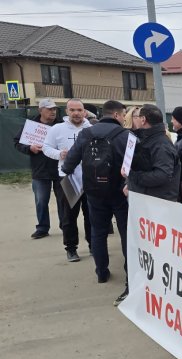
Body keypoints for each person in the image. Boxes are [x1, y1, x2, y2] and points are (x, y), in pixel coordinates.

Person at [62, 100, 130, 305]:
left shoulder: (86, 133)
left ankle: (101, 272)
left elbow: (69, 163)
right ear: (118, 115)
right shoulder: (125, 136)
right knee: (126, 233)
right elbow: (134, 164)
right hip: (120, 192)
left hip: (93, 191)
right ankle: (130, 274)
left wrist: (67, 177)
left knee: (98, 232)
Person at [43, 98, 93, 262]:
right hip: (68, 177)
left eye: (79, 110)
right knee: (69, 216)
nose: (77, 113)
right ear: (67, 112)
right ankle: (71, 248)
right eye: (73, 110)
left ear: (84, 111)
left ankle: (94, 244)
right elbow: (46, 147)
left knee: (91, 214)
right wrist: (59, 154)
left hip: (88, 177)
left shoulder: (91, 128)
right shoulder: (57, 129)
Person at [14, 99, 61, 239]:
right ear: (41, 110)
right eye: (49, 109)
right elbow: (17, 142)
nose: (53, 112)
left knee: (63, 200)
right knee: (41, 200)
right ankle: (42, 228)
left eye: (54, 109)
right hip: (40, 171)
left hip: (59, 169)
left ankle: (65, 225)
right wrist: (30, 148)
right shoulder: (31, 126)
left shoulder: (60, 125)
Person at [126, 104, 180, 202]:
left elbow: (162, 175)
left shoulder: (161, 144)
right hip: (147, 199)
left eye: (137, 117)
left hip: (156, 204)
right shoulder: (148, 139)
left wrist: (132, 176)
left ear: (143, 120)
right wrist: (130, 184)